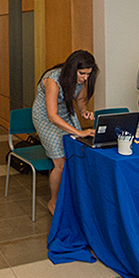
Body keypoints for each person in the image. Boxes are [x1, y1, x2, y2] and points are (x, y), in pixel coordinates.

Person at [31, 50, 98, 215]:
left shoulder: (81, 79)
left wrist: (84, 111)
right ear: (73, 69)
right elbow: (52, 116)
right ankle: (53, 202)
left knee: (77, 152)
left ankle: (71, 196)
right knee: (60, 163)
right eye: (82, 73)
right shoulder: (52, 79)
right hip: (46, 117)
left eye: (88, 74)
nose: (85, 78)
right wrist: (78, 132)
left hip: (65, 114)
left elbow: (80, 100)